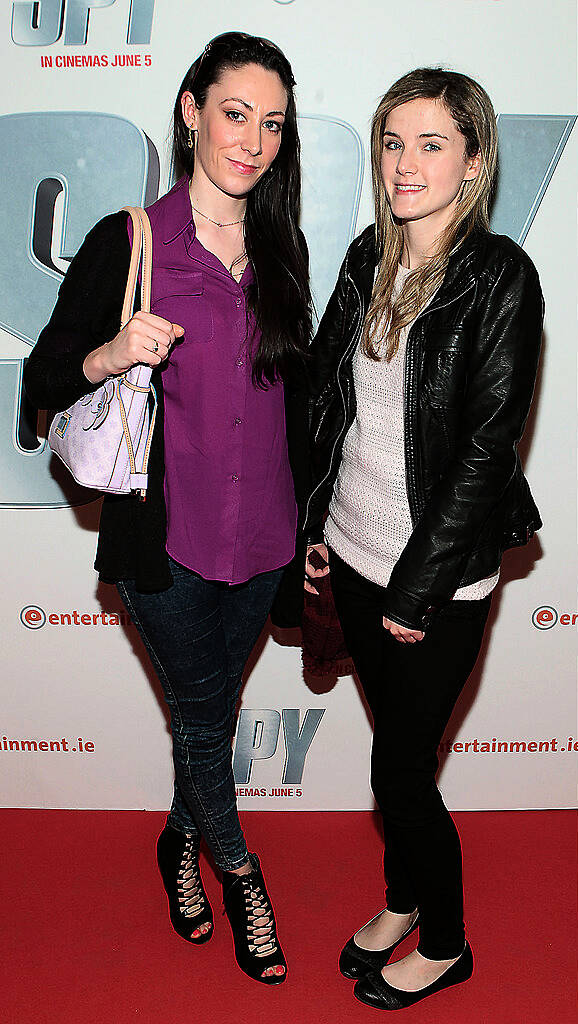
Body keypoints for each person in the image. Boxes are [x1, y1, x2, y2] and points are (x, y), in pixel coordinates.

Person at [24, 31, 312, 985]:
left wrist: (315, 534)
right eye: (236, 114)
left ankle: (177, 840)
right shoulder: (131, 240)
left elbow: (297, 404)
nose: (253, 141)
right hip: (170, 549)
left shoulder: (284, 248)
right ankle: (238, 874)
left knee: (210, 717)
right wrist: (112, 354)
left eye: (272, 124)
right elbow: (46, 377)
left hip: (267, 539)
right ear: (191, 110)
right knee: (200, 720)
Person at [304, 68, 543, 1009]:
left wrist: (417, 589)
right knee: (391, 759)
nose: (406, 164)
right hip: (353, 551)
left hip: (432, 579)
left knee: (401, 770)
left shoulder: (500, 280)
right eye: (394, 143)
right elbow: (330, 402)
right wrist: (310, 525)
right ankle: (403, 898)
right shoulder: (371, 254)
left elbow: (489, 450)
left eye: (432, 144)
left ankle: (445, 940)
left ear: (475, 161)